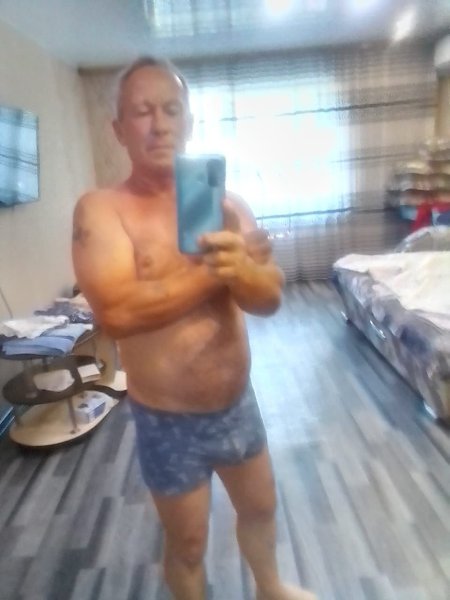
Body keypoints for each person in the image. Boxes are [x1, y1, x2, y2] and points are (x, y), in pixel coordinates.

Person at [72, 56, 316, 600]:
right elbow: (117, 314)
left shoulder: (228, 205)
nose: (159, 124)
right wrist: (213, 273)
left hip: (236, 402)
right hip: (167, 420)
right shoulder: (102, 210)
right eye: (142, 111)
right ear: (119, 129)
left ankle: (270, 586)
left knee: (261, 508)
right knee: (187, 544)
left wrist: (244, 271)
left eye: (171, 109)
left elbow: (269, 299)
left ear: (188, 121)